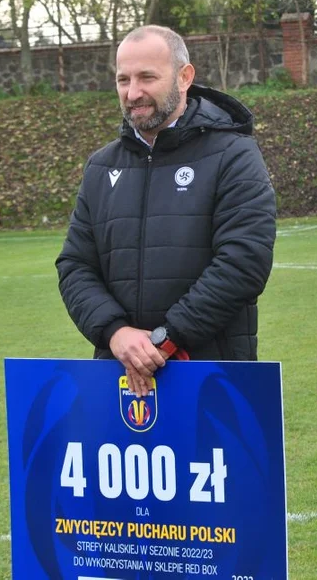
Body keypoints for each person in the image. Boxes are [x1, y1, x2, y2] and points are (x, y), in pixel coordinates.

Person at [56, 25, 277, 397]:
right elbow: (75, 266)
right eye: (123, 79)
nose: (133, 92)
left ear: (185, 76)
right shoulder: (101, 166)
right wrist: (117, 333)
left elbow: (244, 262)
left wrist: (166, 339)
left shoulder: (233, 154)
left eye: (147, 77)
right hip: (119, 377)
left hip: (211, 376)